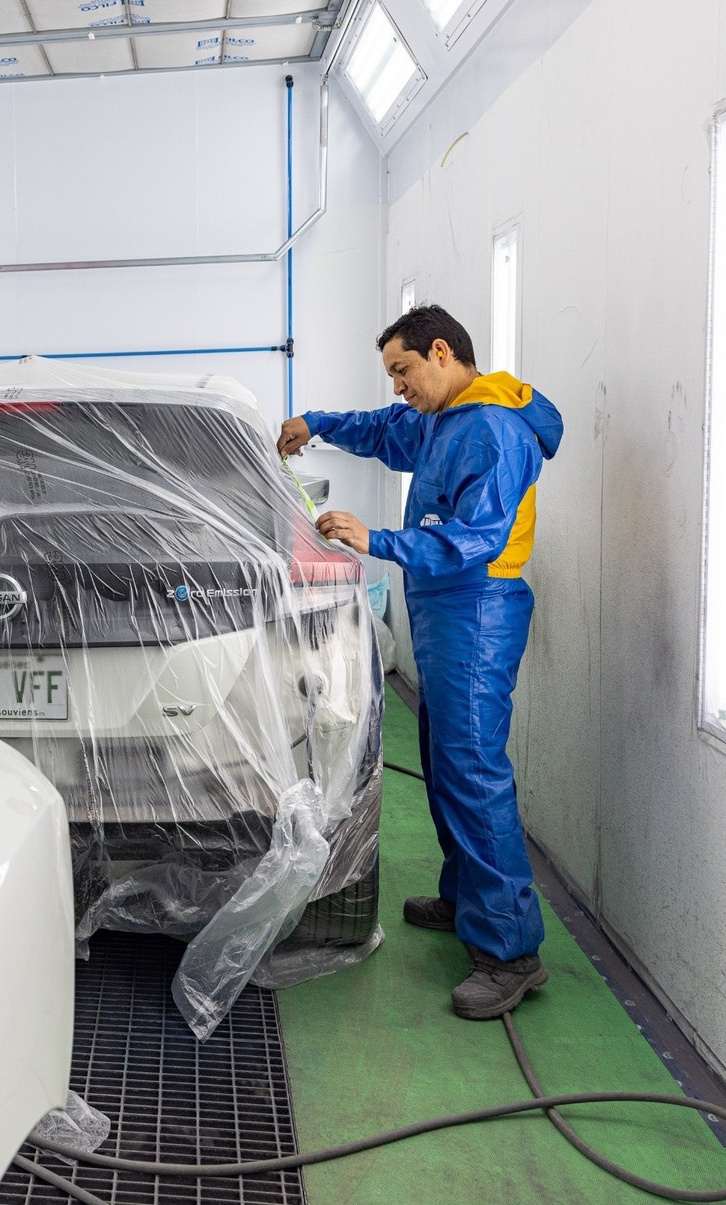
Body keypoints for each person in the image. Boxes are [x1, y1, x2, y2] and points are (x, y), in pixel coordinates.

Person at [277, 305, 563, 1019]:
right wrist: (315, 421)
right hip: (439, 605)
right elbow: (383, 429)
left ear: (441, 352)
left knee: (473, 770)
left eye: (404, 371)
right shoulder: (440, 417)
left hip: (477, 607)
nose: (399, 387)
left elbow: (474, 538)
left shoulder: (493, 430)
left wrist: (376, 539)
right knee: (442, 758)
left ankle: (510, 951)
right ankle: (468, 896)